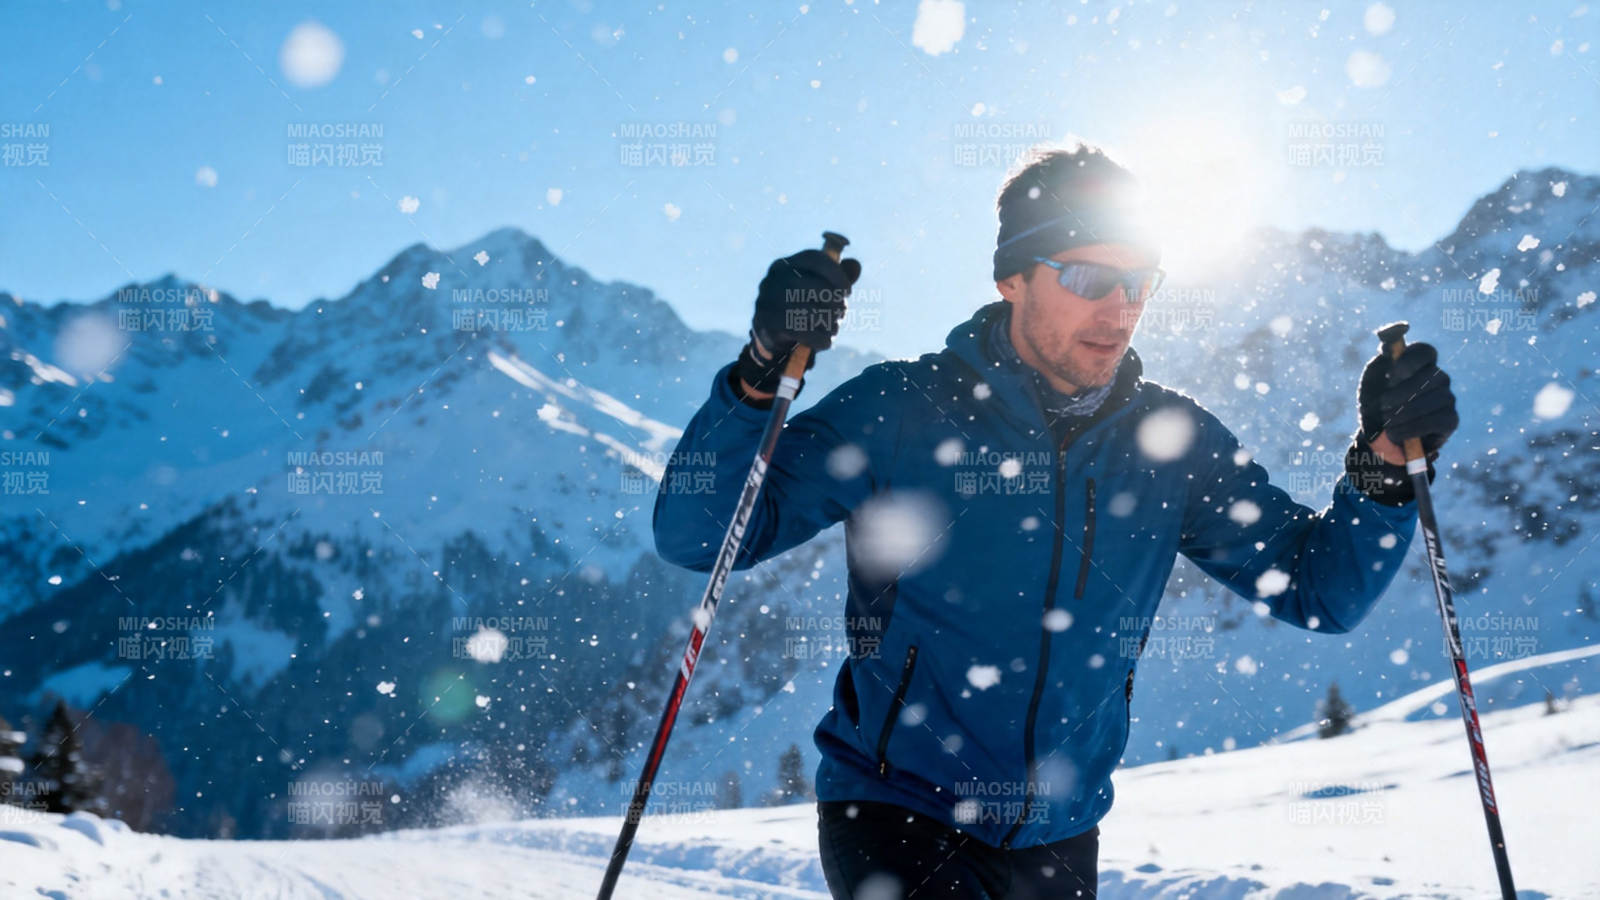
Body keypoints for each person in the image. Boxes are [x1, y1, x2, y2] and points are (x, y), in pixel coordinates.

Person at [652, 144, 1458, 899]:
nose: (1118, 308)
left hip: (1060, 835)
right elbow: (703, 537)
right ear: (1013, 279)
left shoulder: (1172, 444)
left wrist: (1383, 468)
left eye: (1139, 281)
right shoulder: (903, 407)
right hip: (897, 813)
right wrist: (762, 368)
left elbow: (1320, 591)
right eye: (1084, 276)